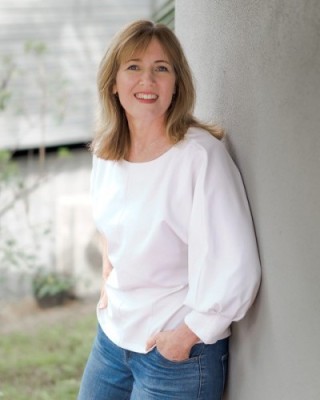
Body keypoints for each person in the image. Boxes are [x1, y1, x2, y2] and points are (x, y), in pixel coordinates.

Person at [78, 20, 261, 400]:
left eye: (161, 68)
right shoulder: (106, 151)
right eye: (133, 67)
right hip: (111, 340)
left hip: (175, 356)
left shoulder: (199, 158)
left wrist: (186, 336)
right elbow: (111, 227)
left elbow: (237, 264)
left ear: (177, 83)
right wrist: (107, 279)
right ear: (113, 82)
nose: (147, 80)